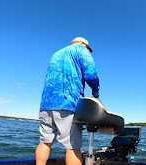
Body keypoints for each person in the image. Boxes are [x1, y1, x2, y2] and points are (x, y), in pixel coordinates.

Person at [35, 37, 100, 165]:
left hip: (46, 105)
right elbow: (91, 74)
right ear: (83, 44)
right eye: (88, 48)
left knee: (45, 142)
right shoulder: (81, 50)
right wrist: (96, 91)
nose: (87, 50)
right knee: (72, 146)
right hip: (68, 104)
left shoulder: (55, 54)